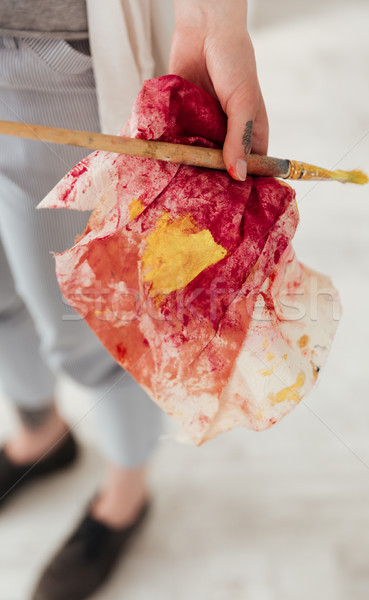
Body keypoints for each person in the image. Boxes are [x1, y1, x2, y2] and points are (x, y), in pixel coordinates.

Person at [0, 0, 268, 598]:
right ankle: (39, 434)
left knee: (94, 326)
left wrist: (212, 23)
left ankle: (124, 495)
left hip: (55, 59)